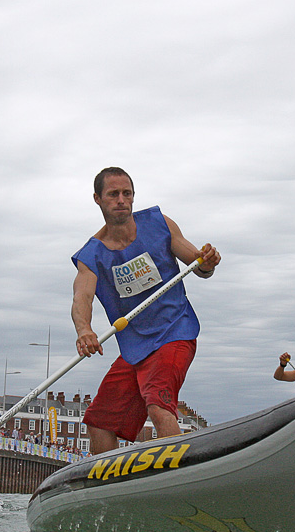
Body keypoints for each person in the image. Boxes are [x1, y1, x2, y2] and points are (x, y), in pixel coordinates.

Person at [71, 166, 221, 455]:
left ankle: (178, 480)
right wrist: (84, 330)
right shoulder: (90, 256)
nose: (121, 200)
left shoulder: (159, 223)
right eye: (113, 194)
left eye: (127, 194)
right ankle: (111, 490)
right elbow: (82, 297)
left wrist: (207, 261)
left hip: (174, 332)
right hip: (135, 348)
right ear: (97, 199)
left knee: (158, 403)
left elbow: (198, 264)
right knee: (100, 421)